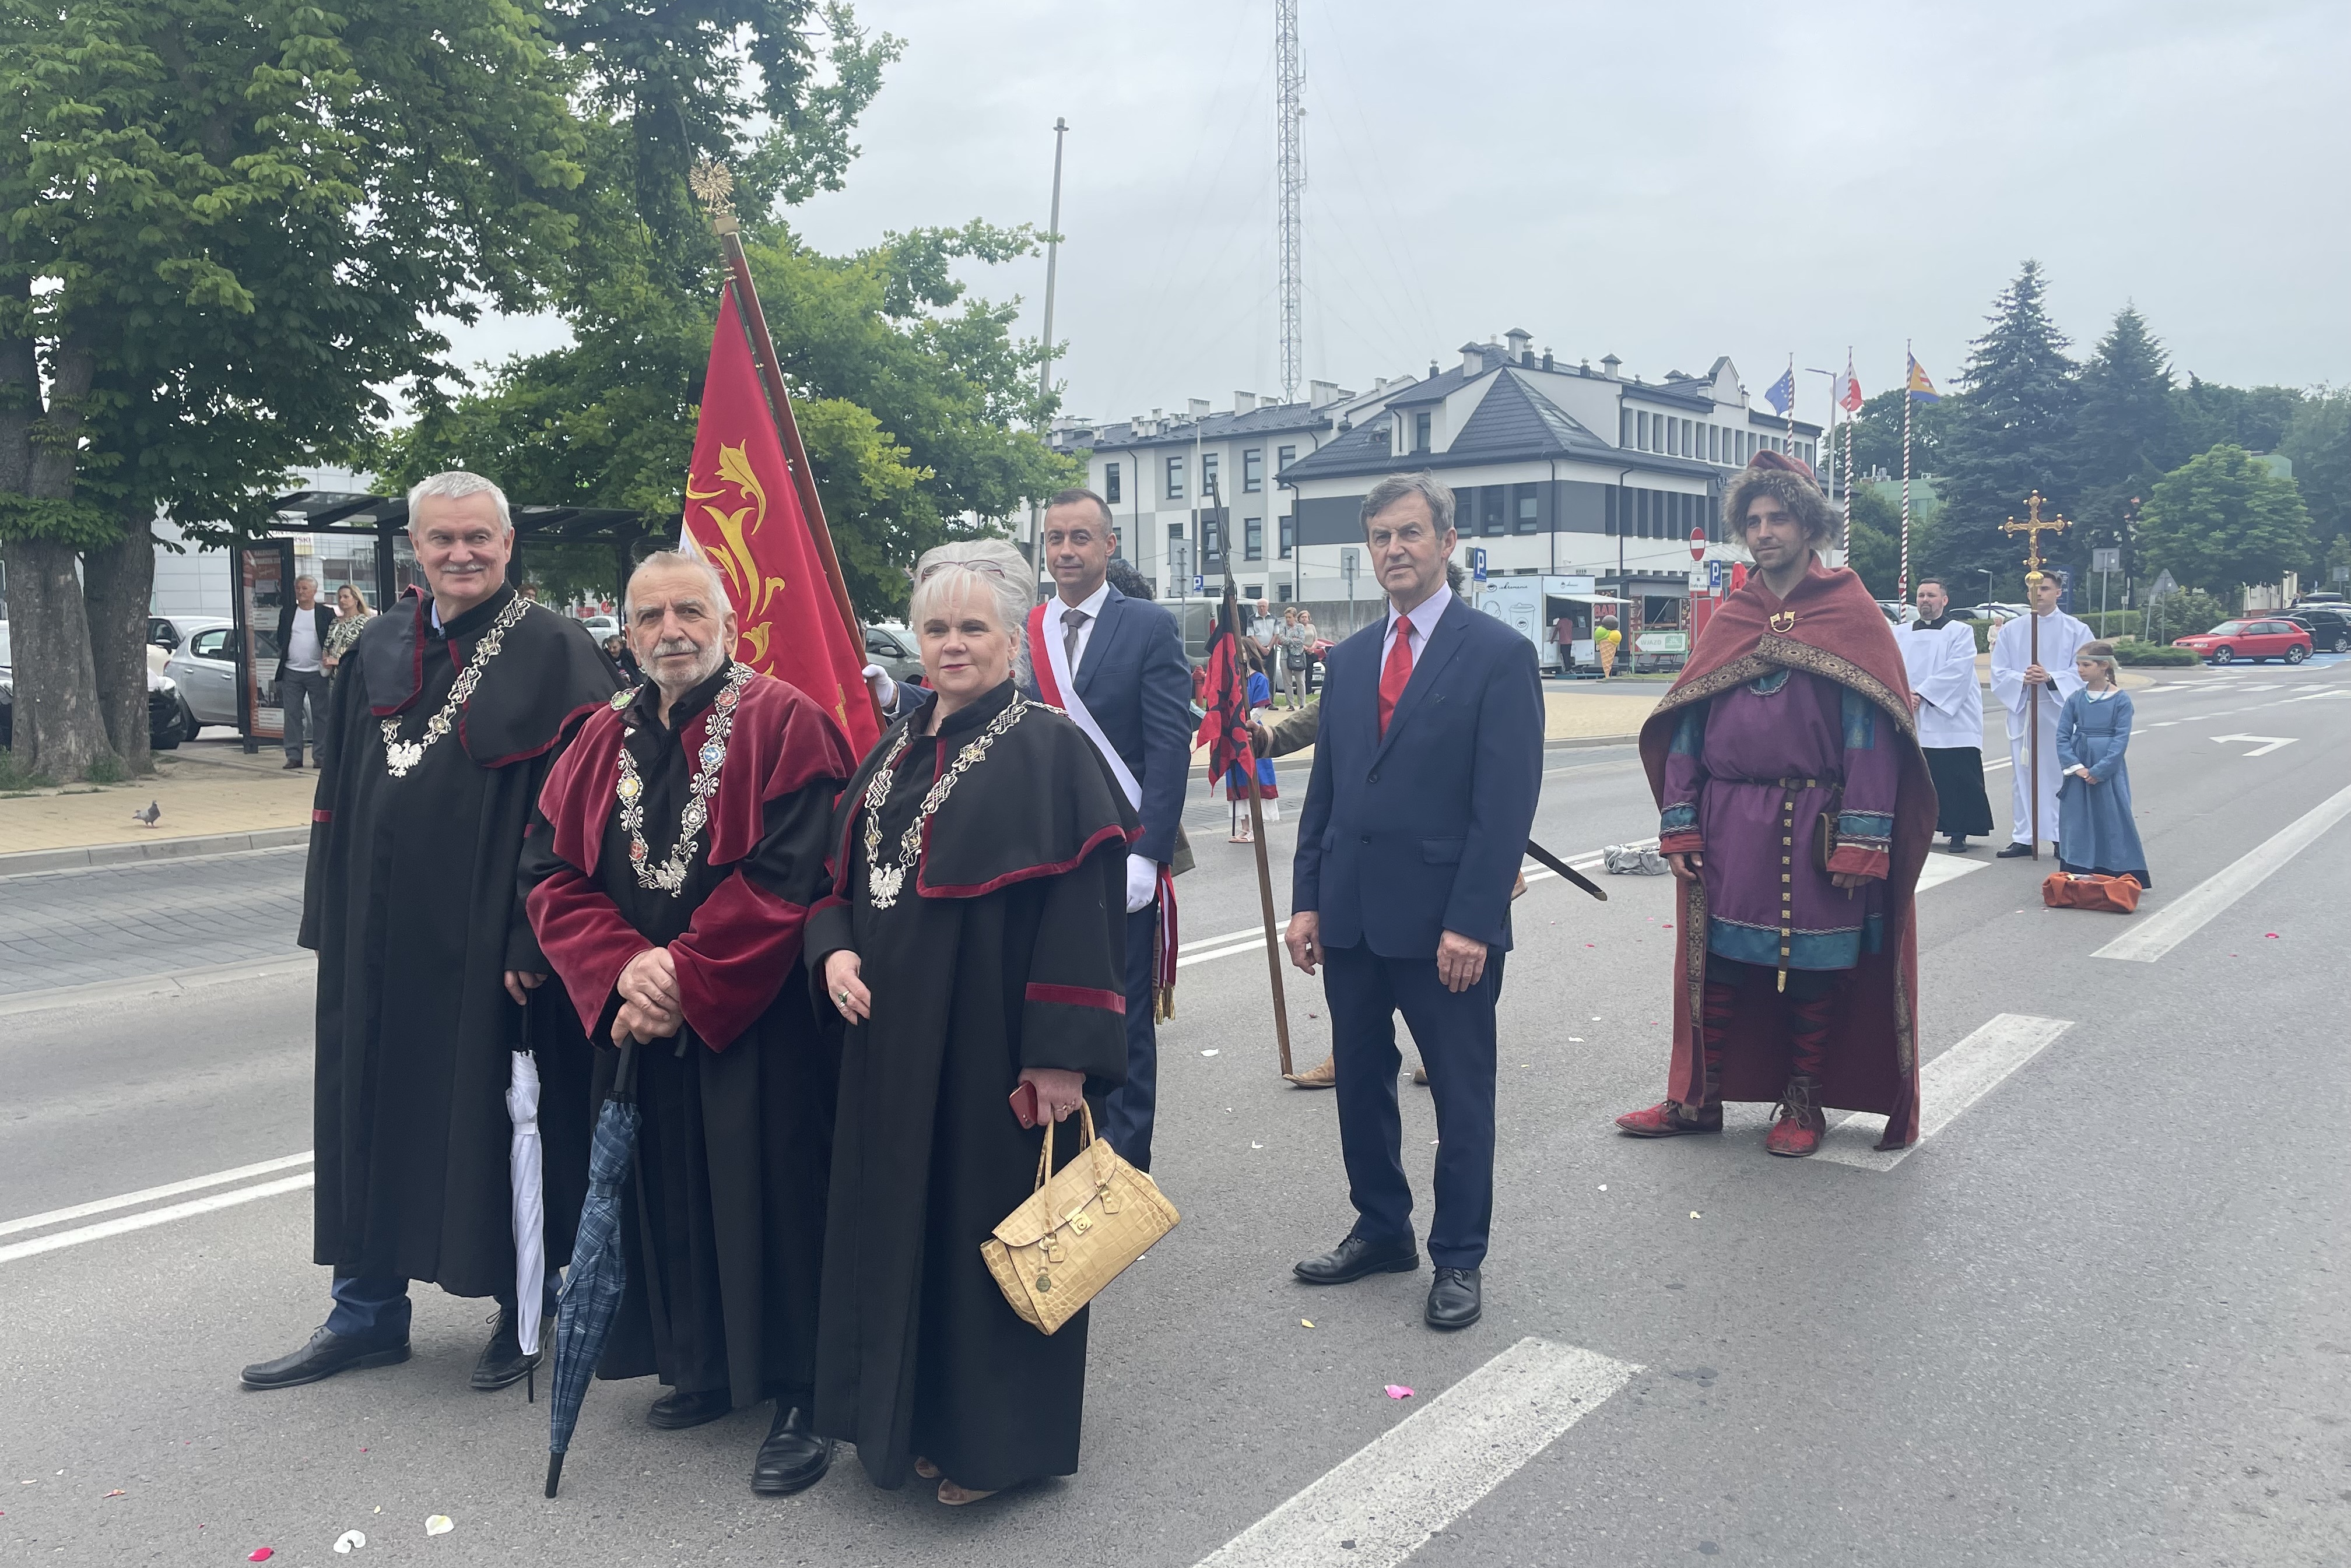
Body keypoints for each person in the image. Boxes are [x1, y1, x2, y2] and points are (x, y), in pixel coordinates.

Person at [241, 472, 615, 1394]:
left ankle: (524, 1306)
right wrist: (327, 914)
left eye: (478, 538)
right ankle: (366, 1313)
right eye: (442, 539)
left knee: (505, 1118)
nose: (460, 554)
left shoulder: (558, 649)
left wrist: (541, 937)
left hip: (495, 940)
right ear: (417, 545)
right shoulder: (376, 644)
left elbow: (583, 812)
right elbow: (338, 794)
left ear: (507, 541)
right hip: (378, 936)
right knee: (365, 1109)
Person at [809, 537, 1136, 1504]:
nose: (952, 646)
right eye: (937, 628)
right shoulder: (896, 744)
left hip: (991, 1042)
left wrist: (1063, 1061)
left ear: (1010, 640)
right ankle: (914, 1418)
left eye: (972, 630)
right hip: (891, 1050)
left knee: (995, 1236)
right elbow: (831, 884)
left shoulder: (1049, 749)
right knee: (907, 1233)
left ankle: (998, 1449)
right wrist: (831, 950)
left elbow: (1082, 921)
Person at [521, 552, 854, 1496]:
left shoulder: (787, 722)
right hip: (640, 1015)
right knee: (668, 1192)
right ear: (625, 634)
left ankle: (800, 1392)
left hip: (754, 1022)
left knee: (775, 1196)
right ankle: (707, 1364)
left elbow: (795, 872)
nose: (670, 630)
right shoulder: (596, 737)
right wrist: (624, 968)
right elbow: (548, 874)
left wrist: (684, 970)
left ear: (727, 618)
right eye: (649, 616)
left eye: (688, 610)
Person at [1614, 452, 1933, 1158]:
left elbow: (1870, 734)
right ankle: (1697, 1097)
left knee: (1815, 968)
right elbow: (1688, 726)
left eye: (1778, 517)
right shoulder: (1736, 613)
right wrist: (1680, 822)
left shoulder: (1850, 611)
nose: (1764, 531)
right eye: (1753, 520)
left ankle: (1804, 1097)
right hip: (1730, 824)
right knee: (1719, 962)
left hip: (1819, 824)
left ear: (1809, 522)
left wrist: (1864, 836)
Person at [1285, 473, 1543, 1333]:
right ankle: (1382, 1226)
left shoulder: (1498, 655)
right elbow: (1326, 791)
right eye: (1380, 537)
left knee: (1461, 1094)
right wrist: (1307, 901)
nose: (1394, 549)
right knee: (1361, 1082)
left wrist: (1472, 920)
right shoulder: (1351, 659)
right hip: (1353, 916)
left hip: (1446, 927)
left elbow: (1504, 805)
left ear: (1446, 542)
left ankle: (1459, 1255)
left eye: (1409, 533)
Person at [1026, 487, 1192, 1173]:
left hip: (1122, 850)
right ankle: (1066, 1149)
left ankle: (1126, 1166)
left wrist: (1149, 854)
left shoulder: (1148, 625)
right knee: (1055, 1004)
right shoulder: (1031, 627)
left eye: (1081, 538)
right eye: (1056, 538)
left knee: (1121, 1013)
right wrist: (895, 695)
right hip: (1049, 850)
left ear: (1109, 546)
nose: (1067, 550)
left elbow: (1168, 745)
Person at [1989, 574, 2092, 859]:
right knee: (2023, 773)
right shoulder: (2012, 630)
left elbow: (2085, 669)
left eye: (2045, 589)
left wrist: (2050, 678)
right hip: (2025, 710)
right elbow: (1999, 672)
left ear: (2059, 592)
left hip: (2059, 710)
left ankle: (2062, 835)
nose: (2038, 594)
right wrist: (2023, 679)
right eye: (2033, 589)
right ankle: (2025, 835)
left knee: (2060, 773)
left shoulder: (2076, 630)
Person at [1900, 577, 1995, 852]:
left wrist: (1923, 695)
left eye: (1931, 595)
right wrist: (1905, 694)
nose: (1925, 601)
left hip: (1950, 716)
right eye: (1921, 596)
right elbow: (1893, 665)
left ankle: (1958, 831)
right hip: (1912, 712)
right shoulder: (1901, 632)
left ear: (1944, 600)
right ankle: (1918, 829)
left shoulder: (1960, 631)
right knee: (1918, 777)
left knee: (1956, 775)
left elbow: (1959, 668)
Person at [2055, 641, 2150, 886]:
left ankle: (2117, 868)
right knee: (2077, 819)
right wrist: (2077, 767)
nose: (2080, 670)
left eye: (2086, 665)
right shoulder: (2076, 699)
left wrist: (2101, 770)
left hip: (2107, 770)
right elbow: (2062, 735)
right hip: (2079, 769)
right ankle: (2077, 866)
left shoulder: (2120, 701)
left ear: (2104, 666)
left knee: (2112, 816)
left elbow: (2120, 740)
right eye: (2078, 665)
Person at [276, 575, 336, 770]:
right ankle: (293, 756)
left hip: (317, 671)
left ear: (314, 591)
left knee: (321, 714)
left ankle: (321, 755)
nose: (301, 592)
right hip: (291, 671)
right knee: (292, 714)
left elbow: (331, 638)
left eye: (305, 589)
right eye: (298, 589)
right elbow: (280, 637)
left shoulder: (325, 613)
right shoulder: (288, 612)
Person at [1224, 646, 1278, 842]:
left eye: (1244, 652)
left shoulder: (1259, 679)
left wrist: (1245, 723)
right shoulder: (1235, 679)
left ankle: (1256, 828)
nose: (1240, 655)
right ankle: (1244, 827)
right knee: (1238, 778)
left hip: (1251, 731)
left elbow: (1261, 707)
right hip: (1234, 733)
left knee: (1255, 776)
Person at [320, 584, 371, 675]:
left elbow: (366, 651)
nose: (341, 600)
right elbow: (326, 645)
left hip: (352, 673)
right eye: (340, 597)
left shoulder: (364, 622)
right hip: (334, 674)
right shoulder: (335, 621)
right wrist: (326, 659)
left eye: (346, 597)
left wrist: (338, 661)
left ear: (356, 599)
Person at [1279, 606, 1311, 709]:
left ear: (1295, 617)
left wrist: (1289, 640)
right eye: (1286, 617)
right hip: (1285, 656)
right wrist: (1293, 640)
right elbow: (1282, 640)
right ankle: (1291, 704)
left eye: (1290, 617)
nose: (1288, 619)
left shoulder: (1300, 627)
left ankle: (1302, 704)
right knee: (1287, 681)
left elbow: (1301, 640)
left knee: (1300, 681)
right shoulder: (1283, 628)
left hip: (1298, 656)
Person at [1595, 614, 1622, 679]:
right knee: (1608, 660)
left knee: (1606, 660)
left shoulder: (1601, 630)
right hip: (1613, 637)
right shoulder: (1616, 633)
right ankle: (1607, 675)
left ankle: (1607, 675)